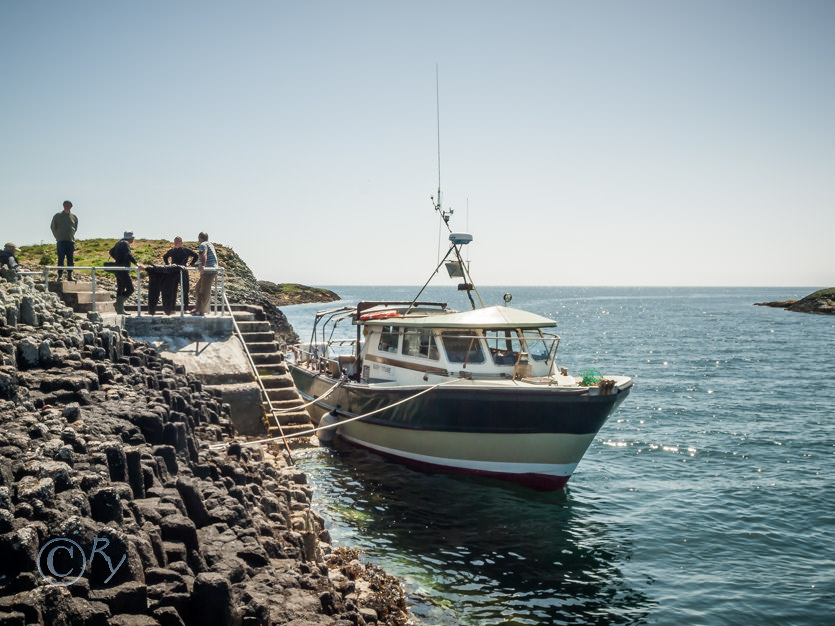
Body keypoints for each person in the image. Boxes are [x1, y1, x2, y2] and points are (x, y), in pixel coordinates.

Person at [109, 231, 145, 314]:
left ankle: (120, 310)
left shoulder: (119, 243)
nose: (133, 239)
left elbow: (111, 251)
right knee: (130, 289)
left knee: (120, 288)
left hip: (118, 269)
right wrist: (137, 263)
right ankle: (118, 304)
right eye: (133, 237)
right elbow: (129, 254)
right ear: (130, 237)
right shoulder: (125, 243)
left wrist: (118, 259)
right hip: (123, 270)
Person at [162, 236, 198, 309]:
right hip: (174, 272)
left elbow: (196, 255)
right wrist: (168, 265)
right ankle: (172, 308)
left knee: (185, 290)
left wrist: (191, 264)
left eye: (177, 241)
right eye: (175, 241)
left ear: (181, 242)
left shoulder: (185, 250)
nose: (175, 243)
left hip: (183, 271)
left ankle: (186, 307)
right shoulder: (172, 250)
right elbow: (165, 257)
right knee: (173, 290)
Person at [191, 231, 218, 316]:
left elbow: (204, 254)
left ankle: (201, 311)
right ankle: (197, 308)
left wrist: (203, 265)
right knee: (198, 287)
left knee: (204, 290)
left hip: (208, 270)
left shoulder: (203, 245)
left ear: (200, 238)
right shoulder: (209, 244)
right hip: (210, 270)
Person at [50, 200, 78, 281]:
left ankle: (70, 276)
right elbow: (52, 227)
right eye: (65, 205)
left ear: (71, 206)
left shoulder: (74, 217)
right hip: (61, 242)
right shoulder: (57, 216)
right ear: (63, 206)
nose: (67, 207)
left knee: (70, 259)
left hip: (70, 241)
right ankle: (60, 276)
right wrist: (58, 237)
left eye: (69, 205)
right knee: (61, 259)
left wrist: (71, 235)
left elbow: (75, 228)